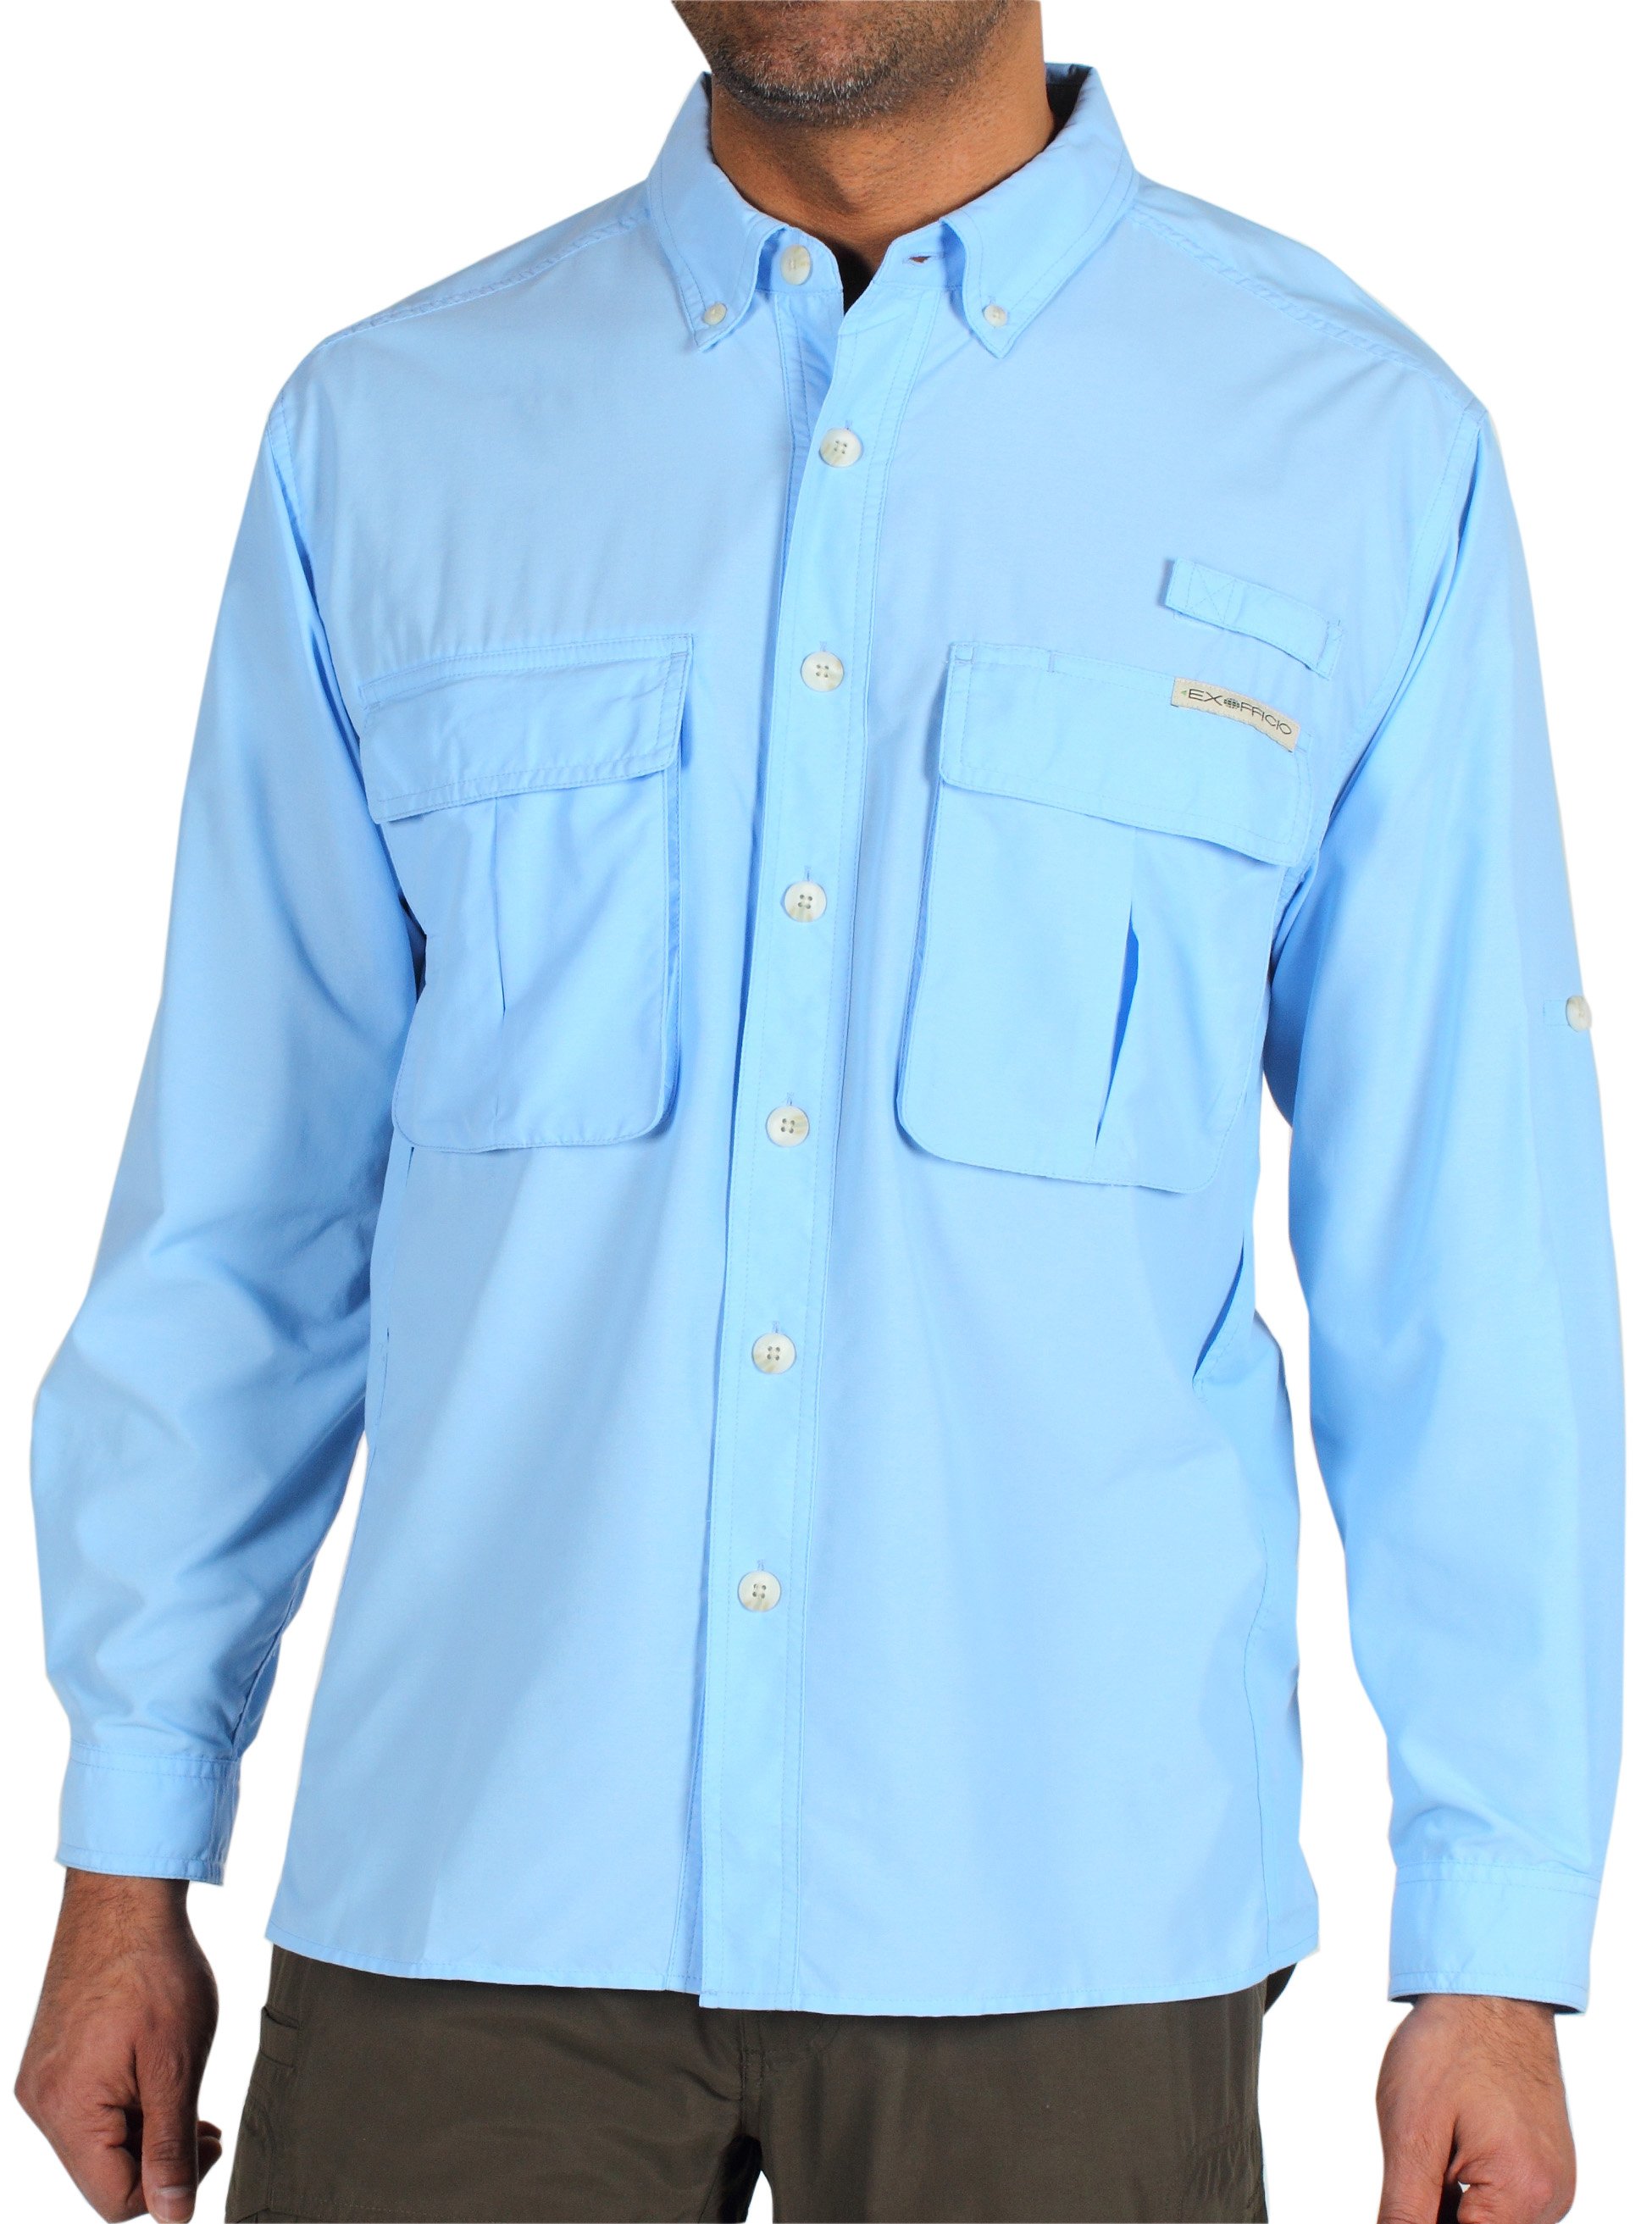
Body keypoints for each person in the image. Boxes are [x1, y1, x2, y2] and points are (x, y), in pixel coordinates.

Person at [15, 3, 1621, 2220]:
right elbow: (243, 1198)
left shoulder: (1354, 447)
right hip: (472, 1898)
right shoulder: (389, 437)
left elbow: (1466, 1247)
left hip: (1064, 1922)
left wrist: (1495, 1948)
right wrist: (127, 1850)